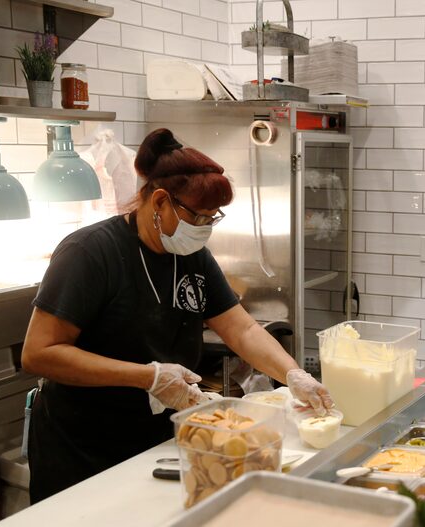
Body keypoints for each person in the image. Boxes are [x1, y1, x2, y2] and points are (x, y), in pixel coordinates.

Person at [21, 129, 333, 503]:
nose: (204, 228)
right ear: (159, 202)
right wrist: (148, 376)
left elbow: (241, 328)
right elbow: (38, 353)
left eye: (211, 218)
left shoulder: (190, 256)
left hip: (153, 439)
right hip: (82, 444)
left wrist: (292, 374)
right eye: (197, 216)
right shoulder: (89, 253)